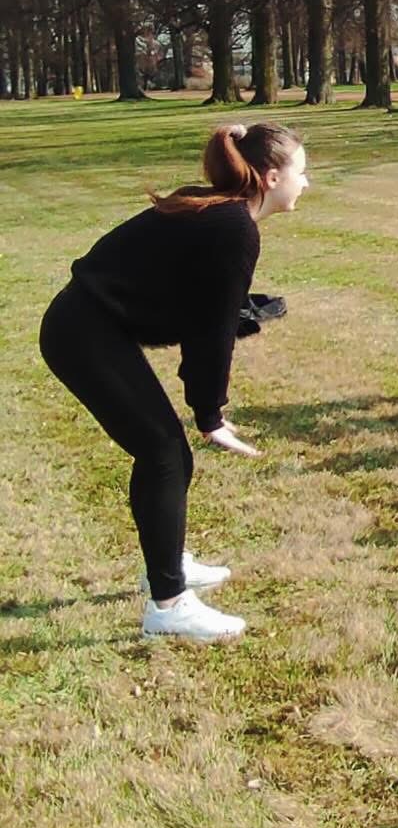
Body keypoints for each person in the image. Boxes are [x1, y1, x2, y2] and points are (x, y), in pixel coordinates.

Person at [38, 121, 309, 643]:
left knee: (167, 454)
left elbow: (194, 302)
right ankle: (168, 606)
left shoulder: (222, 214)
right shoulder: (234, 227)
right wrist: (210, 415)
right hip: (83, 332)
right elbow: (209, 338)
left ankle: (166, 564)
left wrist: (243, 312)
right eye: (302, 171)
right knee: (164, 452)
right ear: (273, 177)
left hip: (90, 325)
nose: (307, 182)